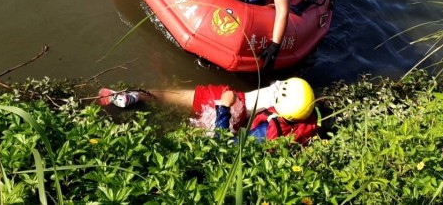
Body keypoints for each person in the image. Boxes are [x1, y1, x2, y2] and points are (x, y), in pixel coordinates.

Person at [98, 77, 319, 145]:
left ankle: (136, 96)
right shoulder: (303, 118)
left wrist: (223, 107)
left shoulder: (263, 136)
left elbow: (222, 145)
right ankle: (136, 96)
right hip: (248, 123)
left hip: (227, 137)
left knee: (208, 105)